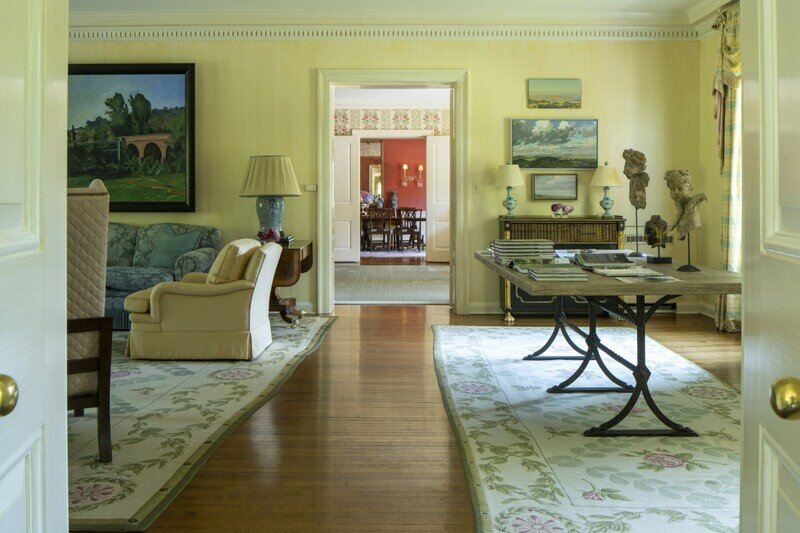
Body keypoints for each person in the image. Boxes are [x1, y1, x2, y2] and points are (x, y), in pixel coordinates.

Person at [664, 170, 707, 240]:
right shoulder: (678, 202)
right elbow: (679, 215)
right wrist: (671, 227)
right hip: (683, 223)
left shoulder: (692, 205)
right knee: (681, 225)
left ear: (690, 188)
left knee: (682, 224)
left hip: (690, 222)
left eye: (680, 188)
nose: (676, 192)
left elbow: (680, 216)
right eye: (672, 189)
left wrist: (671, 227)